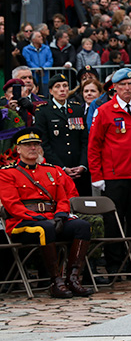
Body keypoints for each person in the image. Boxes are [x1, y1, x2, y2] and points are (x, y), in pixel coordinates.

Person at [0, 128, 93, 298]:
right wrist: (36, 217)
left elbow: (62, 198)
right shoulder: (7, 173)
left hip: (52, 218)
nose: (33, 148)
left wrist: (61, 215)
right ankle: (55, 281)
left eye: (36, 144)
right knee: (45, 228)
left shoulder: (50, 171)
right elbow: (12, 205)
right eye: (27, 145)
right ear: (18, 149)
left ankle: (72, 279)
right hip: (22, 223)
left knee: (82, 226)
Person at [87, 68, 131, 281]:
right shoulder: (105, 110)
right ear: (114, 87)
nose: (127, 88)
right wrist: (97, 176)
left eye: (130, 84)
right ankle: (115, 266)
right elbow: (94, 145)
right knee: (113, 223)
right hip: (114, 176)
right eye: (123, 85)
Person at [34, 74, 90, 196]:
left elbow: (84, 140)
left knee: (84, 205)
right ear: (50, 91)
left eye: (65, 86)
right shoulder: (43, 111)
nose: (62, 89)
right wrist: (62, 167)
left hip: (78, 167)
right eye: (57, 87)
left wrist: (83, 165)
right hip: (56, 168)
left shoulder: (76, 109)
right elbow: (44, 143)